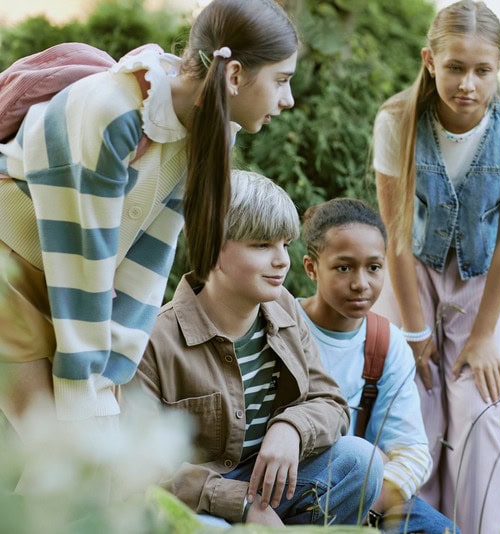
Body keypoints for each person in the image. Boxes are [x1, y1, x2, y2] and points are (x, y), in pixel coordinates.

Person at [0, 0, 298, 432]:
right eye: (281, 80)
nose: (288, 99)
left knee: (92, 461)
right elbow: (83, 263)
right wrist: (85, 394)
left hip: (67, 287)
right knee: (58, 451)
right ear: (234, 76)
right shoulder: (111, 112)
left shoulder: (209, 133)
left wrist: (112, 377)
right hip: (13, 277)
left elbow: (145, 263)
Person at [371, 1, 500, 531]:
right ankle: (418, 526)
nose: (467, 83)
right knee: (413, 410)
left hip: (484, 284)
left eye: (481, 70)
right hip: (411, 277)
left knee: (475, 411)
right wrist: (415, 327)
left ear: (499, 67)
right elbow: (396, 234)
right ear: (430, 60)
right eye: (454, 67)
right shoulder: (397, 121)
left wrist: (485, 334)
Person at [133, 171, 382, 526]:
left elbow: (331, 403)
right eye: (262, 245)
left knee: (360, 460)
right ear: (212, 249)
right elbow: (144, 468)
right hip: (196, 502)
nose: (282, 260)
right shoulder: (154, 339)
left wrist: (291, 428)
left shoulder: (285, 308)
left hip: (271, 484)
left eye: (285, 244)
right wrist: (245, 506)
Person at [296, 198, 459, 534]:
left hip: (367, 499)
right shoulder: (284, 326)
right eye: (344, 268)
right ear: (312, 268)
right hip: (292, 491)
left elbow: (412, 454)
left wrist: (357, 509)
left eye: (373, 267)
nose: (361, 284)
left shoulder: (387, 344)